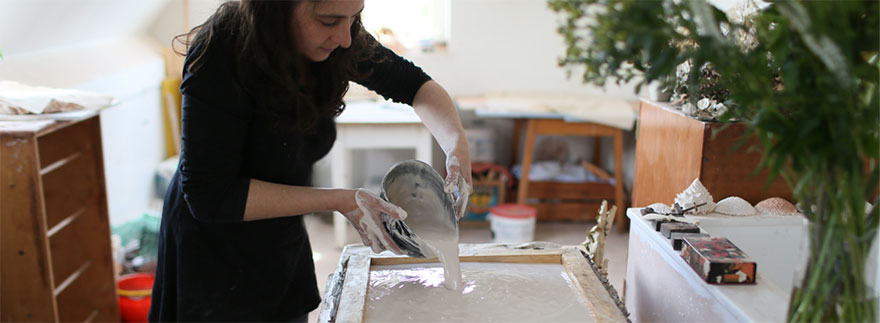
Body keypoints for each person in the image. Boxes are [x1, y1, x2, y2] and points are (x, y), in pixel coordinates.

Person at [148, 0, 472, 321]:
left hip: (281, 235)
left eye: (354, 17)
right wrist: (341, 200)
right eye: (329, 21)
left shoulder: (339, 42)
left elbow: (415, 86)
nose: (345, 37)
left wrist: (457, 146)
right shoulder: (222, 53)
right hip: (212, 254)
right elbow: (210, 196)